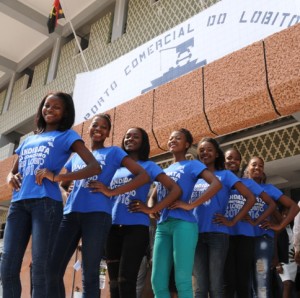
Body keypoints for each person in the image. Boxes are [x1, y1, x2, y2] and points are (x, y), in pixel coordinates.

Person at [1, 92, 101, 298]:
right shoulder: (29, 139)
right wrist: (10, 177)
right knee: (7, 266)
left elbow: (94, 166)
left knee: (40, 269)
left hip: (46, 205)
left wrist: (58, 177)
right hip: (18, 204)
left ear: (65, 113)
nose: (50, 109)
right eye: (47, 105)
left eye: (56, 107)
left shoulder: (67, 136)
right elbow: (13, 171)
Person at [47, 114, 150, 298]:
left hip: (97, 216)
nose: (99, 129)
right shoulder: (77, 156)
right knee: (53, 269)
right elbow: (63, 184)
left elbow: (142, 175)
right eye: (95, 125)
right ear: (88, 128)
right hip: (70, 215)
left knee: (91, 272)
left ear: (108, 133)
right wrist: (67, 192)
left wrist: (111, 192)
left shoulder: (114, 153)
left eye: (104, 127)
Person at [104, 127, 181, 298]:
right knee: (114, 283)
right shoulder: (115, 168)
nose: (130, 139)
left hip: (135, 229)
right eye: (127, 136)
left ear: (143, 142)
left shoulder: (149, 166)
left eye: (135, 137)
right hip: (111, 228)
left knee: (126, 281)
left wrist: (151, 209)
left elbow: (175, 190)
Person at [149, 128, 222, 298]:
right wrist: (153, 208)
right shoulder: (164, 170)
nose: (172, 140)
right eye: (171, 138)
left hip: (184, 225)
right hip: (162, 227)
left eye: (178, 138)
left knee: (182, 279)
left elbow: (216, 184)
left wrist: (191, 205)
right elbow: (153, 195)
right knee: (157, 280)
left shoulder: (192, 164)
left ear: (187, 144)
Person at [188, 138, 255, 298]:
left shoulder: (225, 175)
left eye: (209, 149)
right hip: (195, 234)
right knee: (200, 287)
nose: (205, 152)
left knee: (216, 285)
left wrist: (232, 221)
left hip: (218, 235)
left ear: (217, 154)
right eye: (202, 150)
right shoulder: (194, 176)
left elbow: (250, 198)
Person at [223, 148, 276, 298]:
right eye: (229, 158)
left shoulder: (249, 184)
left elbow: (272, 207)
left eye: (236, 158)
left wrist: (257, 221)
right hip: (225, 235)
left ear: (241, 163)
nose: (232, 161)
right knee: (230, 281)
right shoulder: (220, 181)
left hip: (250, 237)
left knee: (251, 281)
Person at [245, 156, 299, 298]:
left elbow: (294, 207)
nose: (257, 168)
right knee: (244, 282)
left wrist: (280, 225)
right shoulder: (239, 187)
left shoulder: (269, 189)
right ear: (247, 169)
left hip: (262, 241)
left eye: (261, 166)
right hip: (242, 239)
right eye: (254, 165)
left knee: (261, 281)